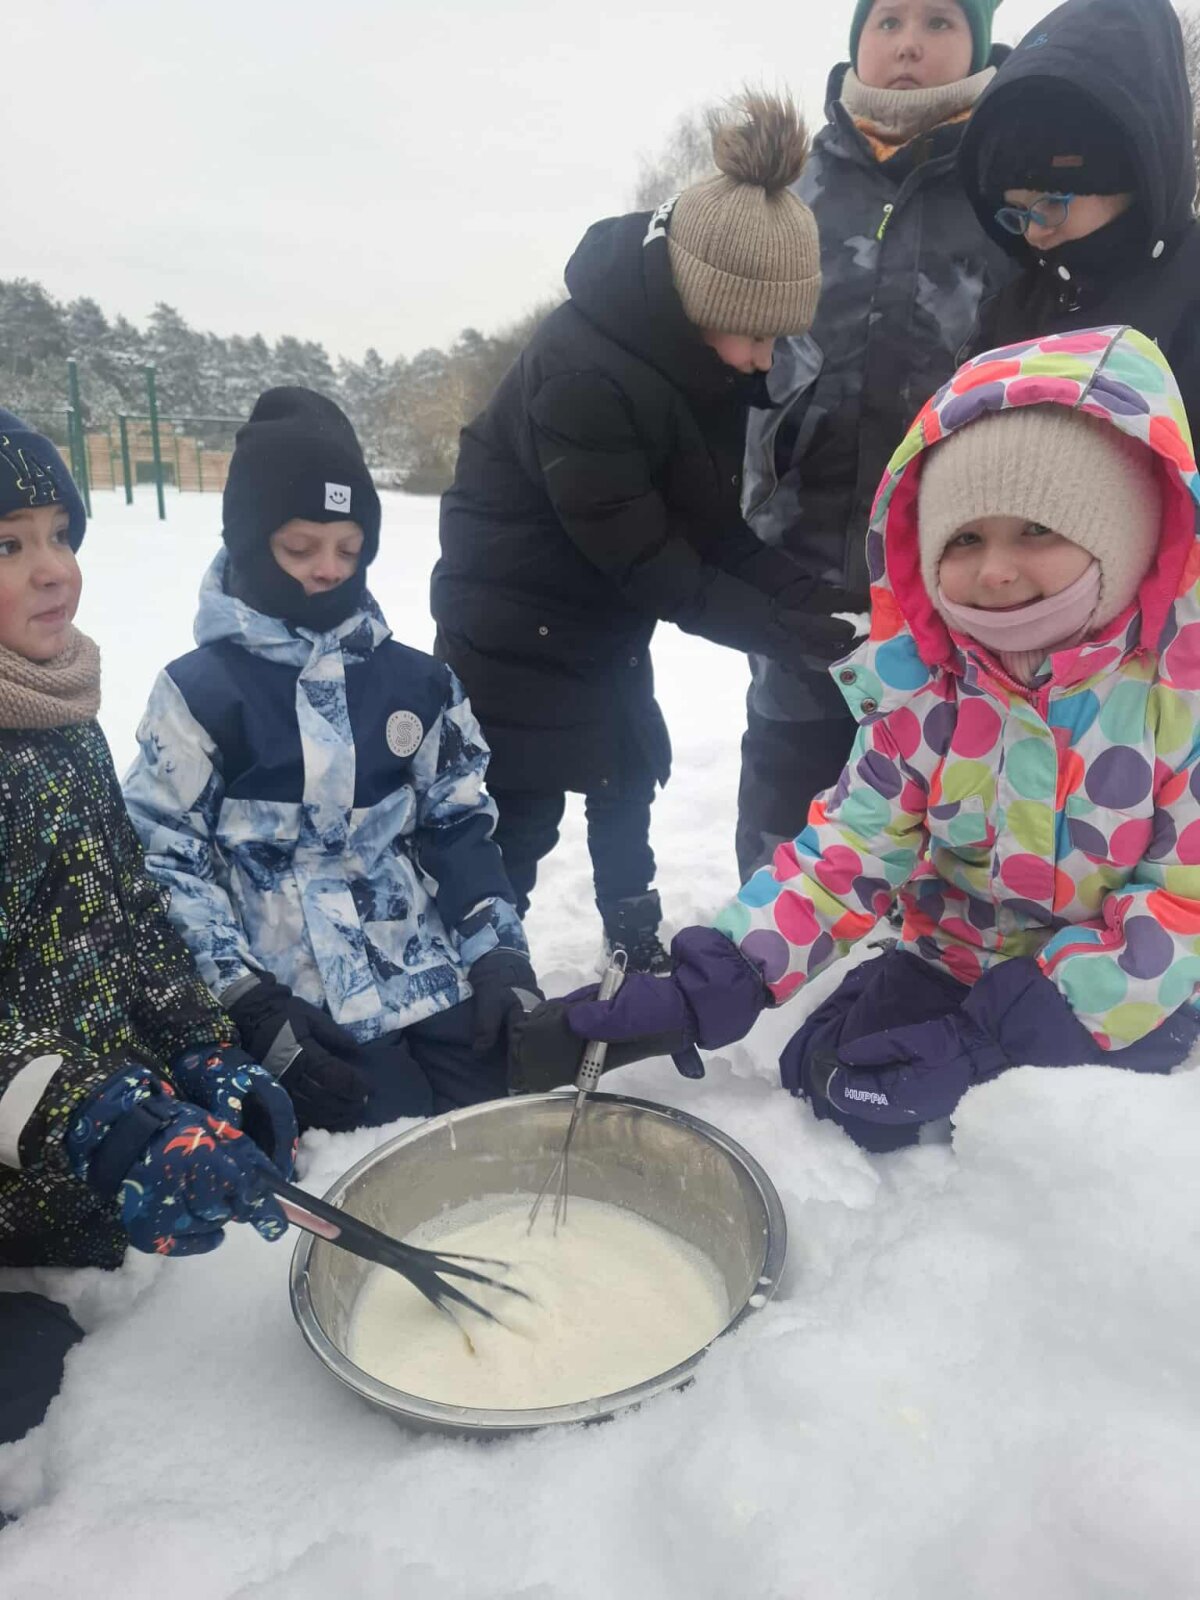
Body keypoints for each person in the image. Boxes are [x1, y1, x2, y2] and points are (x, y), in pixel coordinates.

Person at [513, 327, 1200, 1149]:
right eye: (966, 538)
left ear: (1126, 532)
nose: (995, 570)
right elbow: (847, 853)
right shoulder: (925, 692)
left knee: (1057, 1142)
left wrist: (987, 1041)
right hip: (954, 962)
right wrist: (707, 985)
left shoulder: (1178, 702)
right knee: (830, 1082)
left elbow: (1181, 910)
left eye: (1036, 531)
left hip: (1125, 992)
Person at [433, 91, 855, 973]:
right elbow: (646, 558)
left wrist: (817, 602)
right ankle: (477, 969)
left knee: (626, 775)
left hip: (598, 615)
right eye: (757, 336)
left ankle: (631, 933)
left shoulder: (696, 366)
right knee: (522, 810)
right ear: (704, 298)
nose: (765, 362)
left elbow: (711, 529)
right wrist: (784, 634)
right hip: (514, 621)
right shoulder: (584, 374)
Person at [0, 409, 297, 1455]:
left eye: (60, 534)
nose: (54, 570)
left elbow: (127, 912)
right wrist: (99, 1122)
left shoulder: (51, 710)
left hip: (82, 1147)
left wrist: (201, 1048)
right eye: (7, 545)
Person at [124, 389, 537, 1133]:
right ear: (252, 543)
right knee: (377, 1144)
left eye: (349, 549)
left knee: (501, 1115)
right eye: (301, 548)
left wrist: (499, 956)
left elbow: (457, 825)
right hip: (299, 998)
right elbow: (165, 860)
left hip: (424, 973)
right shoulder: (201, 693)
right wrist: (246, 1002)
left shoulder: (417, 684)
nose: (327, 570)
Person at [736, 0, 1014, 878]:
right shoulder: (787, 189)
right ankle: (765, 951)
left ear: (978, 41)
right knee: (786, 804)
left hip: (962, 581)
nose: (909, 45)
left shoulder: (1010, 186)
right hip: (794, 574)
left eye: (940, 22)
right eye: (888, 20)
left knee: (949, 814)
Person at [959, 0, 1200, 432]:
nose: (1034, 234)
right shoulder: (1014, 307)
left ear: (1138, 177)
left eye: (1052, 202)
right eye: (1017, 212)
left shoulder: (1188, 296)